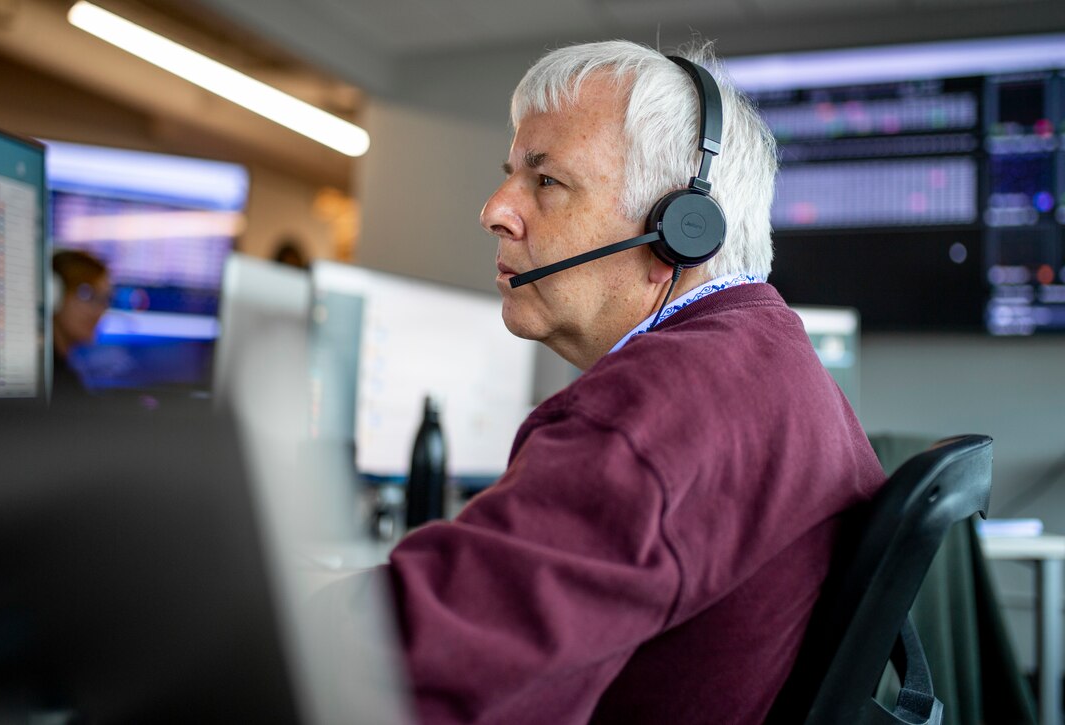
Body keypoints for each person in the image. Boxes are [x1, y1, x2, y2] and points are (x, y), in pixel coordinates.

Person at [348, 40, 886, 724]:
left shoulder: (652, 412)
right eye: (511, 174)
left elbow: (406, 668)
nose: (494, 209)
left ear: (677, 234)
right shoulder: (768, 359)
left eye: (545, 181)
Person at [51, 249, 111, 399]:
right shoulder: (46, 377)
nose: (99, 311)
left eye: (104, 299)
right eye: (87, 295)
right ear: (53, 294)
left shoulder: (67, 374)